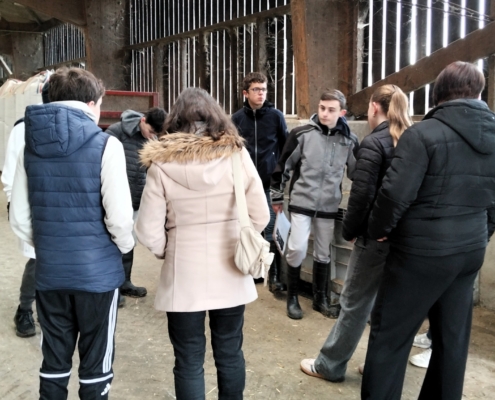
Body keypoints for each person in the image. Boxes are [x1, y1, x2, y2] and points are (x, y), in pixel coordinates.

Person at [361, 61, 495, 400]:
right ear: (478, 93)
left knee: (390, 338)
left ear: (438, 93)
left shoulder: (422, 135)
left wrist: (378, 229)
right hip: (469, 251)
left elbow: (394, 194)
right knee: (452, 340)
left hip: (420, 255)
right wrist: (481, 232)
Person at [135, 87, 269, 400]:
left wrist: (167, 250)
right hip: (232, 267)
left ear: (174, 120)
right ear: (216, 117)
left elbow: (148, 230)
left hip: (183, 272)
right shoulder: (236, 155)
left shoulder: (160, 163)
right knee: (230, 350)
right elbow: (261, 215)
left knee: (188, 358)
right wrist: (238, 234)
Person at [9, 67, 134, 399]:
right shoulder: (107, 145)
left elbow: (18, 217)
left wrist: (48, 245)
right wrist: (123, 247)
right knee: (96, 363)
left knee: (53, 360)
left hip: (51, 273)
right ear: (91, 104)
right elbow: (120, 219)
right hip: (97, 275)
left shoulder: (28, 146)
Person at [299, 85, 412, 380]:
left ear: (374, 107)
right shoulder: (414, 139)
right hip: (405, 238)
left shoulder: (374, 143)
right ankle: (379, 365)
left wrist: (352, 229)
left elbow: (361, 195)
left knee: (354, 302)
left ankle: (330, 364)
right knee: (389, 304)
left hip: (375, 238)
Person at [271, 89, 359, 319]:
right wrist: (277, 196)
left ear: (342, 113)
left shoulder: (349, 140)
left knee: (323, 252)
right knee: (297, 248)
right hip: (302, 201)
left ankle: (321, 299)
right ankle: (292, 298)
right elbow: (283, 165)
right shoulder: (301, 134)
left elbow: (357, 173)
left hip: (329, 206)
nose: (325, 113)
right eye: (322, 108)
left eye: (331, 110)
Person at [2, 80, 51, 338]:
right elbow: (10, 173)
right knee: (37, 261)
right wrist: (16, 207)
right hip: (35, 207)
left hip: (64, 209)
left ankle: (48, 310)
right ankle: (24, 309)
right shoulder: (24, 127)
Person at [232, 72, 288, 292]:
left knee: (271, 227)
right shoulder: (236, 119)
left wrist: (280, 176)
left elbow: (285, 148)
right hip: (244, 184)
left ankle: (273, 276)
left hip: (269, 182)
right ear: (245, 93)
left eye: (263, 89)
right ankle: (254, 269)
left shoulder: (276, 116)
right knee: (249, 227)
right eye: (256, 89)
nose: (261, 94)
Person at [106, 107, 166, 302]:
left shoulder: (153, 140)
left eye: (156, 134)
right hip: (115, 199)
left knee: (128, 242)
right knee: (112, 243)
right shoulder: (116, 132)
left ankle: (125, 282)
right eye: (151, 131)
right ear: (143, 120)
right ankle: (111, 288)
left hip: (136, 198)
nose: (152, 137)